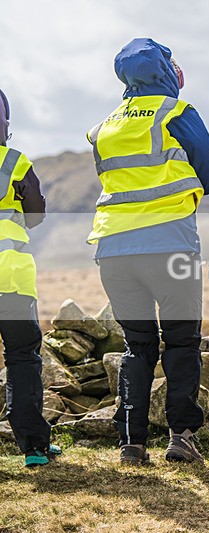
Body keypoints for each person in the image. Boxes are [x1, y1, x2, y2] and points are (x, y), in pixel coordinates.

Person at [87, 38, 209, 465]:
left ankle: (132, 444)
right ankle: (181, 438)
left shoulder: (104, 126)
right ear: (164, 70)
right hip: (169, 245)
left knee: (137, 346)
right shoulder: (177, 113)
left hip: (113, 249)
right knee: (181, 341)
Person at [0, 88, 61, 467]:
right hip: (12, 280)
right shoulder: (14, 162)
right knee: (23, 357)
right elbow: (36, 215)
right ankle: (34, 447)